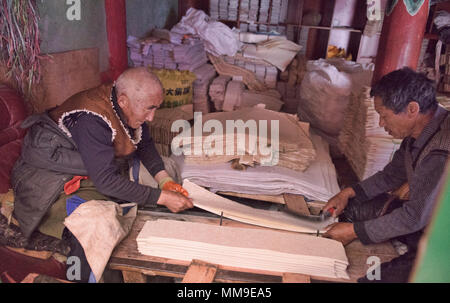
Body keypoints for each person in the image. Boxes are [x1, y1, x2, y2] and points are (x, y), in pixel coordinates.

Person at [11, 67, 193, 281]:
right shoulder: (92, 120)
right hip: (53, 176)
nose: (152, 117)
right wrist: (162, 197)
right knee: (96, 221)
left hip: (90, 165)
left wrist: (165, 182)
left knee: (168, 166)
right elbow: (105, 181)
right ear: (124, 101)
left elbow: (145, 144)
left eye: (156, 109)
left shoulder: (126, 104)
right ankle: (80, 276)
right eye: (149, 109)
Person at [322, 67, 449, 282]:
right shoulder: (418, 132)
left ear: (412, 109)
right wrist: (348, 193)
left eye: (384, 116)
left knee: (375, 280)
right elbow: (391, 175)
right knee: (355, 206)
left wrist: (354, 231)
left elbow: (414, 216)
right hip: (426, 219)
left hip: (442, 238)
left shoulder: (441, 149)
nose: (381, 124)